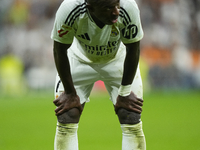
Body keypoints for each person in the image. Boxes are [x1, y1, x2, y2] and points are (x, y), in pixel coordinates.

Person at [51, 0, 146, 149]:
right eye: (108, 8)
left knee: (130, 115)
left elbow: (133, 48)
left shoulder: (128, 6)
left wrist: (125, 92)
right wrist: (69, 93)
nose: (116, 12)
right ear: (90, 8)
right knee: (67, 115)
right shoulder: (70, 8)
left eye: (117, 5)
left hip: (118, 60)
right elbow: (59, 50)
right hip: (79, 60)